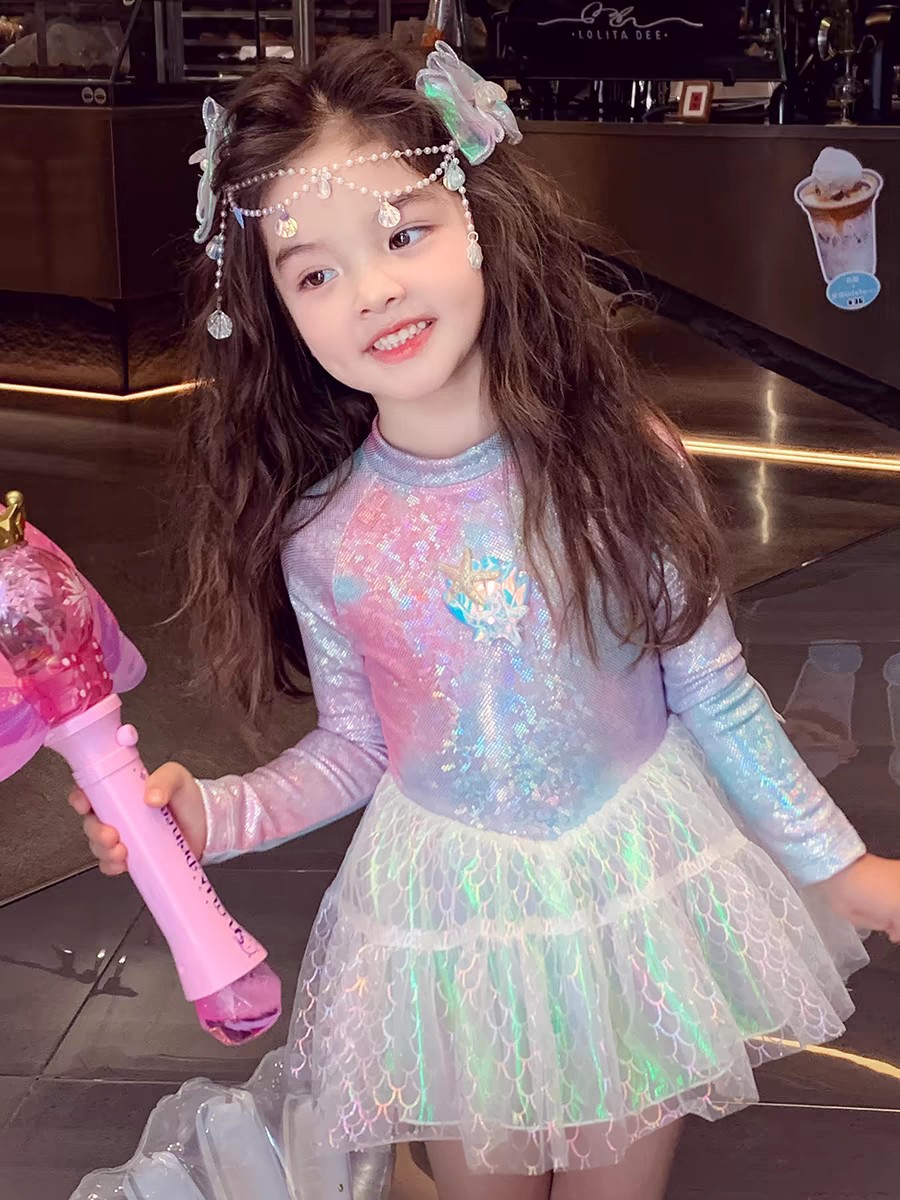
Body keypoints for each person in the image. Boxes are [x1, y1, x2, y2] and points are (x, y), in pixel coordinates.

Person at [68, 38, 900, 1200]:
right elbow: (357, 746)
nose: (372, 290)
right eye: (315, 274)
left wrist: (840, 867)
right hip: (449, 923)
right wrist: (213, 814)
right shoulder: (327, 535)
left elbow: (711, 687)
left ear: (481, 224)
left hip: (632, 886)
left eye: (402, 233)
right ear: (275, 313)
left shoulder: (621, 461)